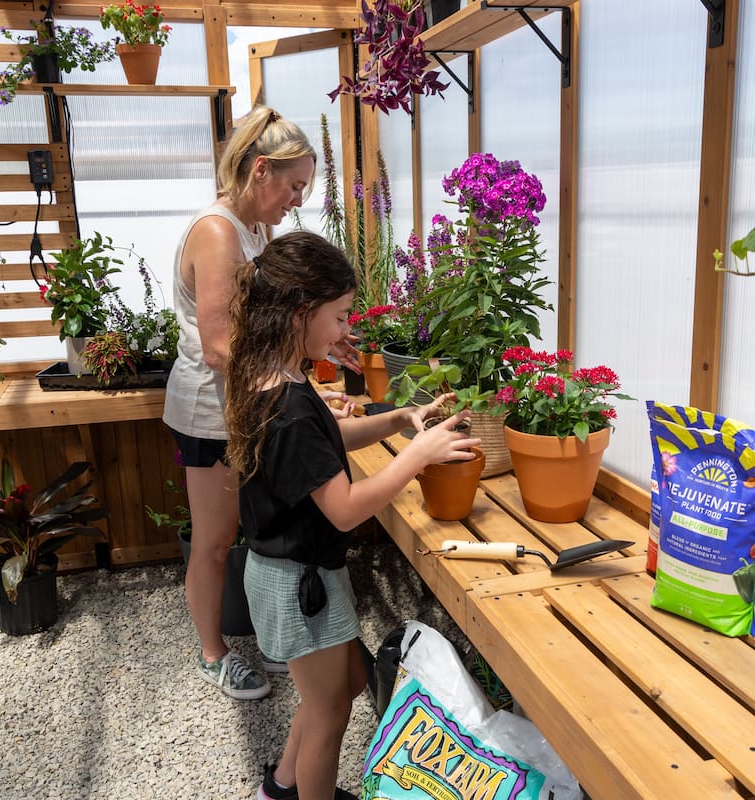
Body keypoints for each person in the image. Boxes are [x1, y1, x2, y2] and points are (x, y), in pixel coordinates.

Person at [224, 230, 479, 800]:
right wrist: (417, 456)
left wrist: (398, 420)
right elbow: (341, 511)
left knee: (346, 685)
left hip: (297, 574)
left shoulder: (278, 375)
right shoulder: (286, 403)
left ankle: (282, 786)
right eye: (339, 317)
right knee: (330, 711)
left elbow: (329, 439)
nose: (346, 332)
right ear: (298, 313)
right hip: (297, 584)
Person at [163, 105, 358, 700]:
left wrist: (322, 340)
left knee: (258, 532)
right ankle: (213, 654)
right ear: (260, 170)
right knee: (217, 538)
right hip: (212, 410)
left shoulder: (256, 229)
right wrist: (300, 386)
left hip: (248, 404)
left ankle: (281, 641)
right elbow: (223, 348)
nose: (297, 199)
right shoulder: (218, 231)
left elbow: (268, 323)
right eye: (294, 185)